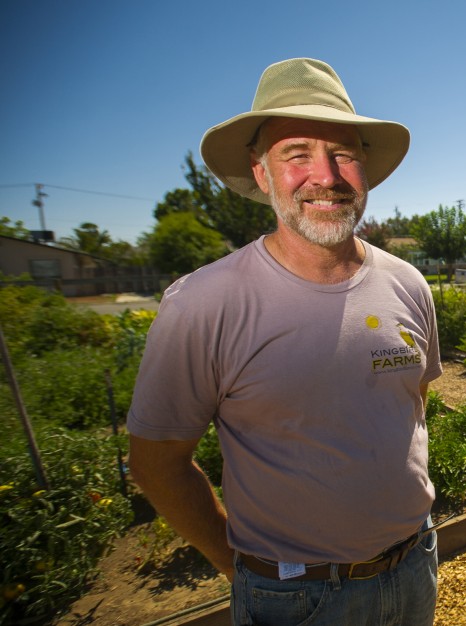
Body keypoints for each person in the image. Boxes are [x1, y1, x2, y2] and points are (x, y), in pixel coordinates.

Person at [127, 58, 442, 626]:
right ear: (262, 172)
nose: (327, 175)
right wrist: (241, 568)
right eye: (297, 154)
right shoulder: (204, 304)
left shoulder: (407, 283)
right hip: (293, 598)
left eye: (344, 154)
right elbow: (156, 463)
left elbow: (411, 403)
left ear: (364, 170)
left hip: (414, 568)